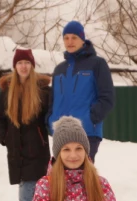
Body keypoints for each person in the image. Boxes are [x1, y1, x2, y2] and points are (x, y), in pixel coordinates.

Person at [0, 48, 51, 201]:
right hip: (16, 151)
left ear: (32, 65)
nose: (24, 66)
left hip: (37, 150)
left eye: (27, 63)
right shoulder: (7, 91)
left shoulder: (42, 91)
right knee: (28, 195)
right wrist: (4, 138)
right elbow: (0, 118)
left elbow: (49, 116)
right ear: (15, 66)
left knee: (28, 194)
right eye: (20, 63)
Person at [46, 20, 115, 163]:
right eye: (66, 38)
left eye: (74, 37)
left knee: (83, 180)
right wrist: (50, 119)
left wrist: (90, 118)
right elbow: (52, 101)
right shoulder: (59, 69)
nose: (70, 41)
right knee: (61, 180)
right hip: (61, 133)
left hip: (86, 132)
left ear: (82, 39)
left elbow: (107, 98)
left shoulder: (97, 64)